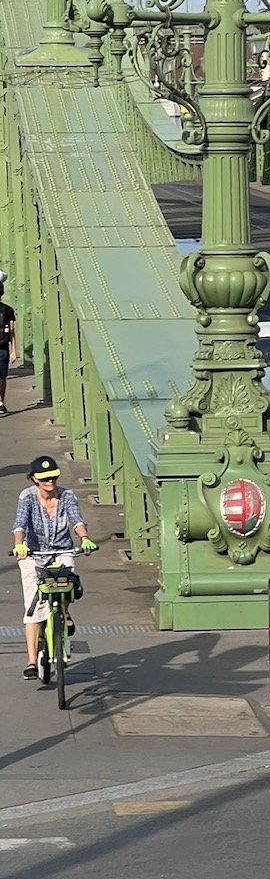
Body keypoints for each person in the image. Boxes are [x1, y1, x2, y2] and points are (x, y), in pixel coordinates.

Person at [11, 456, 97, 680]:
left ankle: (64, 612)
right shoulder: (27, 497)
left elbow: (76, 520)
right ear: (35, 479)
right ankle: (31, 661)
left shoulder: (67, 496)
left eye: (53, 477)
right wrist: (19, 545)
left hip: (61, 550)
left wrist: (84, 538)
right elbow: (19, 523)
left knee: (68, 583)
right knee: (34, 605)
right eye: (44, 478)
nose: (50, 481)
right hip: (33, 553)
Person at [0, 279, 16, 415]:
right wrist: (14, 350)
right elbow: (12, 331)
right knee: (2, 377)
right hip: (3, 347)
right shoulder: (8, 310)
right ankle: (1, 402)